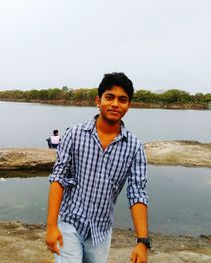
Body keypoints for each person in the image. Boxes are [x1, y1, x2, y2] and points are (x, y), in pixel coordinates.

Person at [46, 72, 149, 263]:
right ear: (98, 100)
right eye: (109, 97)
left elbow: (137, 194)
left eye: (122, 99)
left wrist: (142, 242)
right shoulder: (74, 134)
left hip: (101, 231)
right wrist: (51, 226)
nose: (115, 104)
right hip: (69, 223)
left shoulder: (134, 147)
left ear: (129, 105)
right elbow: (58, 179)